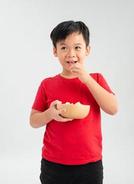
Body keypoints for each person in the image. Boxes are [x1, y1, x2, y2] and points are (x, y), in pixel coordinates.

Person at [29, 20, 118, 184]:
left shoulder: (96, 79)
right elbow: (33, 121)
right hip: (53, 165)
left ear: (87, 50)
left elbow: (113, 108)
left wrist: (87, 80)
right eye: (64, 47)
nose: (71, 54)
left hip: (90, 165)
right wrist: (50, 114)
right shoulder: (47, 84)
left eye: (77, 47)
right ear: (55, 51)